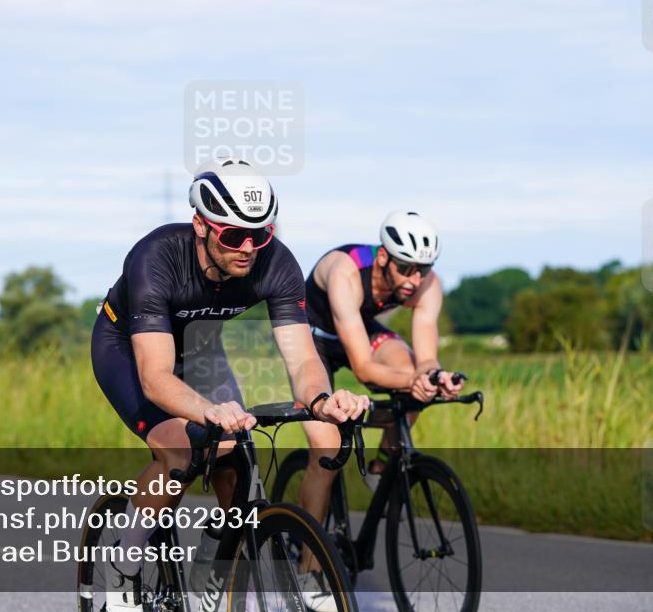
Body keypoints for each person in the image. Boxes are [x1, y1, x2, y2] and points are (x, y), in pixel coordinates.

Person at [91, 157, 369, 611]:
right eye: (234, 236)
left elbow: (303, 358)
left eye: (260, 234)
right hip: (127, 350)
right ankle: (124, 566)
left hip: (201, 349)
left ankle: (210, 574)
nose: (248, 248)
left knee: (237, 462)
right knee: (180, 453)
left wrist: (321, 401)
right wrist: (207, 411)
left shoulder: (275, 263)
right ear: (201, 225)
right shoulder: (156, 258)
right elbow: (156, 378)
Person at [299, 210, 465, 493]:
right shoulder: (346, 272)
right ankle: (309, 525)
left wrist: (434, 377)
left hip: (358, 328)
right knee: (327, 451)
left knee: (412, 377)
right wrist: (415, 382)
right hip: (314, 338)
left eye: (423, 269)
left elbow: (426, 360)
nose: (415, 280)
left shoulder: (427, 284)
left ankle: (381, 466)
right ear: (383, 257)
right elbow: (363, 369)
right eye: (406, 268)